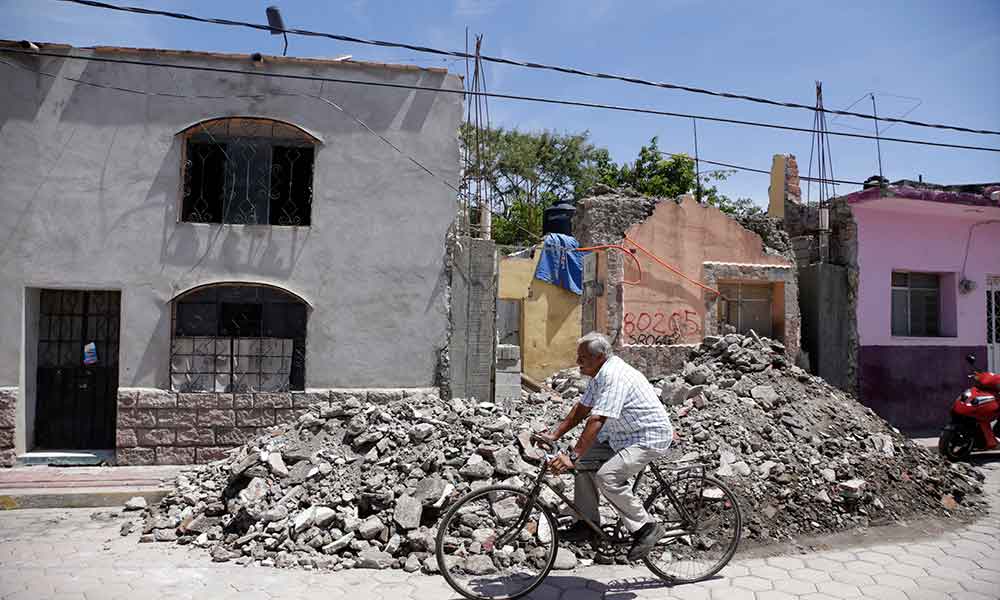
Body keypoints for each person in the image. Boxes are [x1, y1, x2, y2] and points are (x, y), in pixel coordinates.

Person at [538, 331, 673, 561]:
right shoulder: (598, 375)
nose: (578, 362)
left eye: (583, 358)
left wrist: (573, 454)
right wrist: (554, 435)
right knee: (582, 464)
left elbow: (597, 420)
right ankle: (587, 524)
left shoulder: (613, 376)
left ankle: (646, 527)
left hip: (647, 437)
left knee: (607, 477)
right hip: (620, 435)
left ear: (599, 357)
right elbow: (582, 409)